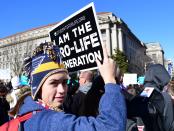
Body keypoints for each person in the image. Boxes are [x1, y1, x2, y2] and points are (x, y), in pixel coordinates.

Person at [6, 42, 126, 131]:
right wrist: (110, 80)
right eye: (53, 83)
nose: (62, 90)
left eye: (64, 82)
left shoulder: (27, 111)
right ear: (37, 87)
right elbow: (111, 127)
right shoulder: (51, 121)